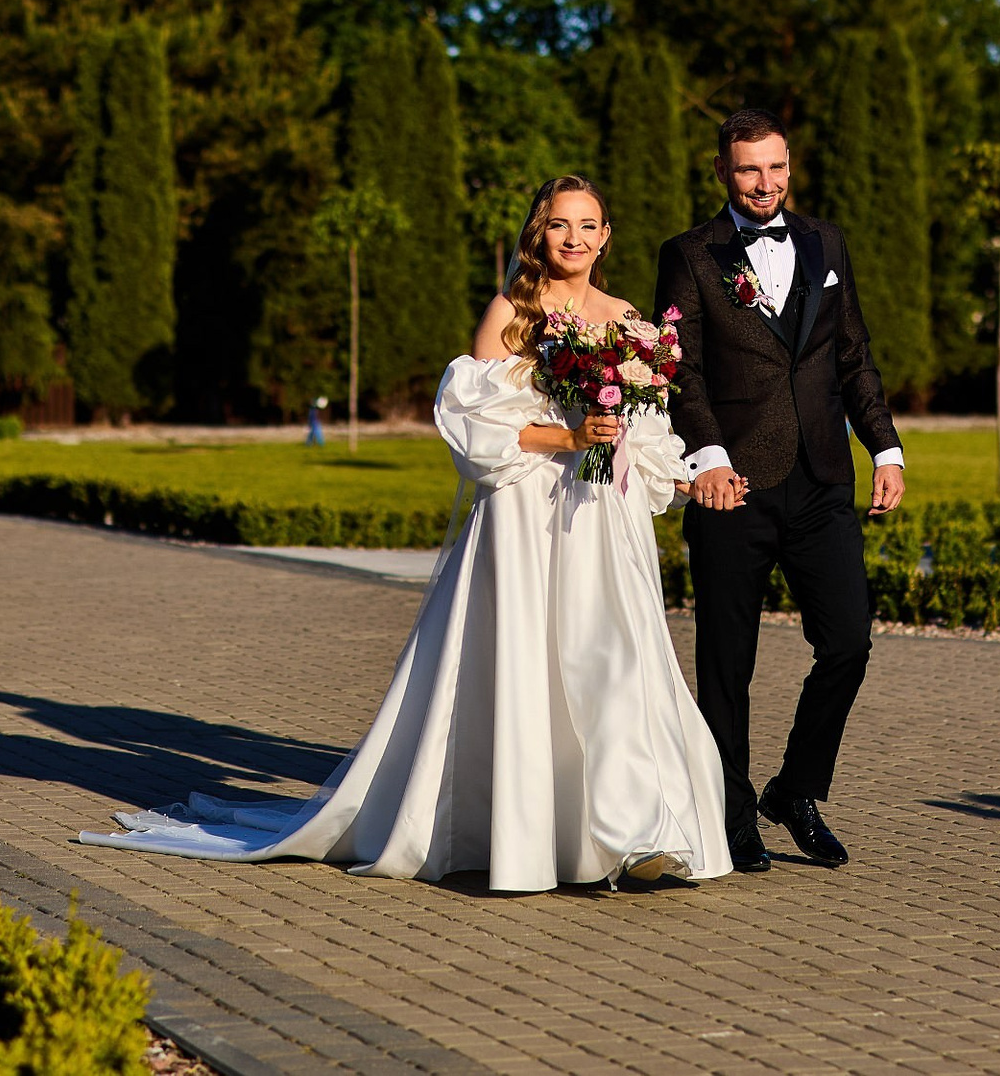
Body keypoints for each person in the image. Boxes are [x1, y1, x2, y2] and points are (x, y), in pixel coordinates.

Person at [78, 176, 731, 890]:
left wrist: (661, 462)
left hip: (601, 513)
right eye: (558, 225)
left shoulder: (629, 320)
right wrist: (569, 436)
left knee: (615, 657)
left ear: (606, 237)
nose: (573, 238)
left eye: (587, 225)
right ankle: (525, 830)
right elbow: (476, 426)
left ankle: (635, 828)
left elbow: (646, 426)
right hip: (526, 513)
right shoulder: (511, 313)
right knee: (528, 663)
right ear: (538, 234)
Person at [653, 108, 906, 873]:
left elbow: (853, 354)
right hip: (732, 486)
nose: (765, 183)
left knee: (849, 642)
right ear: (722, 172)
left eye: (776, 167)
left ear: (789, 167)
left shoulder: (827, 243)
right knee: (727, 663)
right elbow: (678, 368)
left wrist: (885, 447)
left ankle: (794, 790)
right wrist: (707, 459)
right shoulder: (689, 254)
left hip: (822, 477)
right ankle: (731, 817)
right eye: (749, 170)